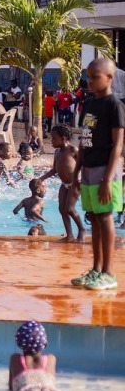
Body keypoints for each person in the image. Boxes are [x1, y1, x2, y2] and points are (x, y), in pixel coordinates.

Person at [73, 57, 124, 291]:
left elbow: (118, 145)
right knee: (93, 217)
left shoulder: (114, 105)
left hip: (105, 169)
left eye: (95, 77)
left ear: (109, 78)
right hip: (89, 169)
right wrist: (76, 171)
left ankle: (109, 273)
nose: (90, 81)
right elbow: (84, 140)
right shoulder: (90, 103)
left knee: (104, 218)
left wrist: (107, 179)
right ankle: (95, 269)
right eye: (88, 77)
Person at [39, 125, 84, 242]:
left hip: (75, 183)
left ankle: (82, 229)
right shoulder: (57, 152)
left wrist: (81, 181)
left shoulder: (73, 150)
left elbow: (83, 165)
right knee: (61, 209)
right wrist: (42, 178)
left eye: (54, 138)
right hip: (64, 184)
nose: (51, 141)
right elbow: (54, 169)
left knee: (69, 208)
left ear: (63, 138)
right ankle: (69, 235)